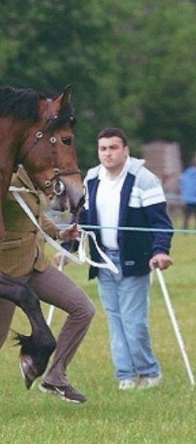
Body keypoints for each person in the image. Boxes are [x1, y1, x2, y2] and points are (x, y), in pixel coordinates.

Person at [0, 166, 95, 409]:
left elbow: (33, 214)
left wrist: (60, 233)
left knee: (83, 309)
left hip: (35, 265)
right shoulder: (3, 178)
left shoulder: (34, 175)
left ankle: (55, 378)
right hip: (5, 274)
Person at [82, 127, 173, 390]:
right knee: (115, 320)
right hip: (103, 261)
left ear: (126, 150)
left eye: (113, 148)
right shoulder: (92, 178)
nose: (107, 153)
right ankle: (125, 376)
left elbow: (160, 222)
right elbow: (84, 220)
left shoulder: (144, 179)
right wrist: (68, 244)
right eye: (103, 149)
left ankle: (149, 372)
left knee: (133, 321)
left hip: (134, 259)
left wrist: (160, 250)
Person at [179, 159, 196, 229]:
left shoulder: (184, 175)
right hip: (194, 199)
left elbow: (181, 186)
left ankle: (185, 231)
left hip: (187, 199)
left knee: (186, 217)